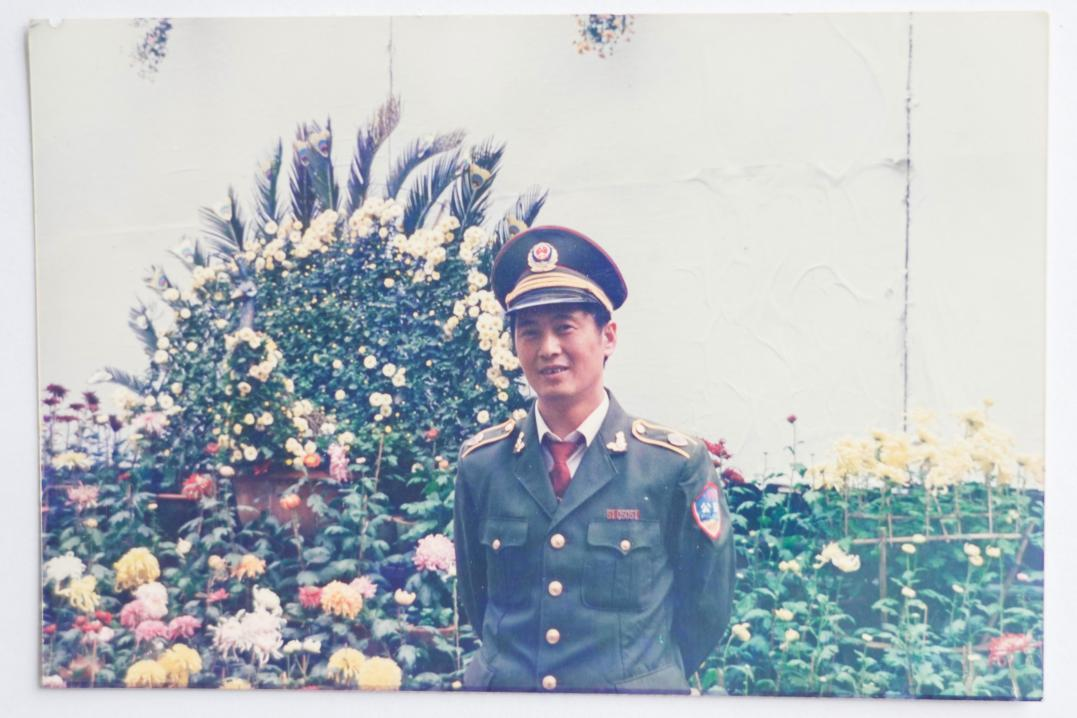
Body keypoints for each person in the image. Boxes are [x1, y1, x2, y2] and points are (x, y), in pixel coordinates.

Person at [453, 225, 735, 694]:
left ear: (608, 337)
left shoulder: (671, 465)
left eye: (565, 327)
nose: (548, 349)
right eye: (529, 332)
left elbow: (706, 607)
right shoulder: (484, 464)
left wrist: (645, 680)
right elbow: (476, 598)